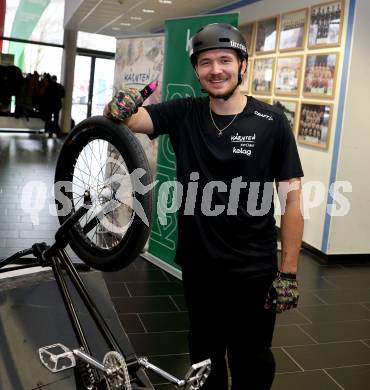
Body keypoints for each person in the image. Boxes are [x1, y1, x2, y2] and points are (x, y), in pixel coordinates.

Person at [104, 23, 304, 390]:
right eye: (206, 62)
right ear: (196, 70)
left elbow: (292, 200)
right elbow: (133, 119)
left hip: (254, 268)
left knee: (252, 359)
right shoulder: (185, 113)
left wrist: (288, 271)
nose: (216, 70)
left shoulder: (272, 123)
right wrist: (118, 105)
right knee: (204, 355)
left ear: (243, 65)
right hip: (199, 265)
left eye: (225, 60)